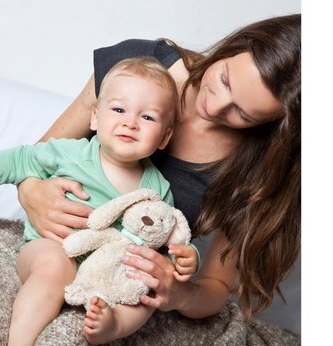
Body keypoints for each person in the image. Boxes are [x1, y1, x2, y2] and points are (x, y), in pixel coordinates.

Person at [17, 14, 301, 323]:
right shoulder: (141, 65)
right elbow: (34, 158)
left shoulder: (256, 170)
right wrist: (31, 192)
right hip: (53, 253)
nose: (214, 107)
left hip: (126, 294)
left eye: (243, 114)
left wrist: (179, 294)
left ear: (273, 124)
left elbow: (215, 287)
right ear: (234, 47)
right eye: (224, 80)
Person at [0, 57, 200, 346]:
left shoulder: (157, 188)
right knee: (54, 266)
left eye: (147, 117)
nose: (131, 123)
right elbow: (19, 160)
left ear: (163, 137)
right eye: (119, 110)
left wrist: (187, 258)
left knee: (146, 290)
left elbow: (168, 235)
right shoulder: (70, 153)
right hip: (53, 246)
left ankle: (114, 324)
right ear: (95, 117)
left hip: (107, 272)